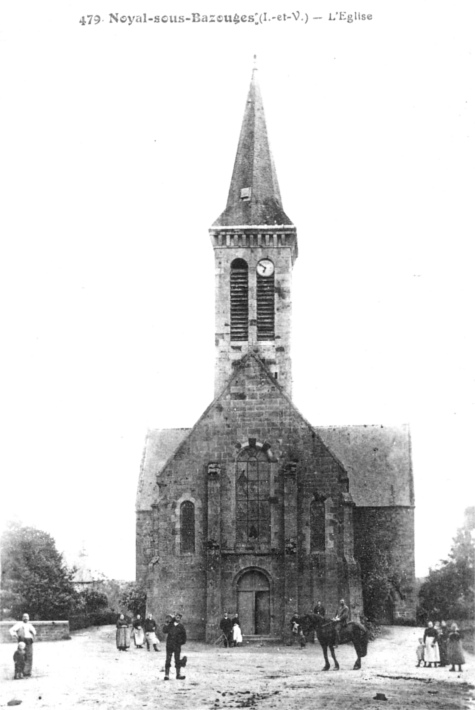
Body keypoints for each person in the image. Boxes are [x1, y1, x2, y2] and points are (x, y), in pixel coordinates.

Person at [162, 613, 187, 680]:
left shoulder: (181, 626)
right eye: (176, 616)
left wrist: (180, 642)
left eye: (179, 617)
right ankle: (166, 675)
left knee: (177, 659)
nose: (177, 618)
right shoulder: (170, 625)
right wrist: (166, 623)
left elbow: (184, 636)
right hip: (169, 645)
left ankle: (178, 675)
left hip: (177, 645)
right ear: (174, 618)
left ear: (180, 619)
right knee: (168, 659)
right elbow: (164, 630)